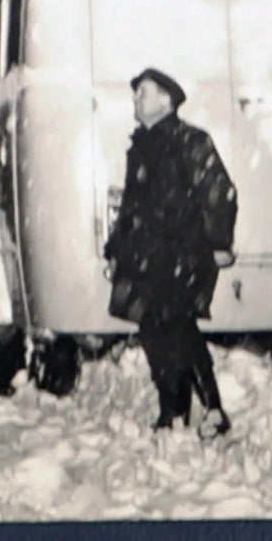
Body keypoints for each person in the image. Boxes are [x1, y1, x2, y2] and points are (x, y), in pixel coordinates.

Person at [103, 67, 238, 438]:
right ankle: (172, 411)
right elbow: (131, 207)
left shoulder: (191, 141)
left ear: (165, 100)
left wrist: (218, 243)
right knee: (153, 333)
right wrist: (115, 250)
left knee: (178, 328)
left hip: (183, 255)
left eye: (141, 93)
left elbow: (221, 193)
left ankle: (211, 408)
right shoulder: (141, 148)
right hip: (148, 258)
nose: (135, 100)